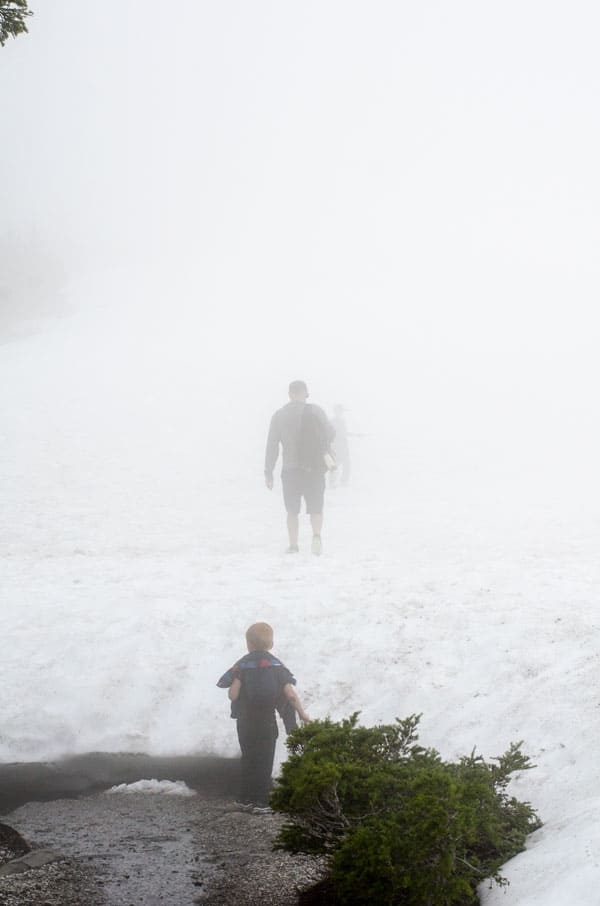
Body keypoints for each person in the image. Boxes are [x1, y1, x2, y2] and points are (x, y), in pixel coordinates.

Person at [216, 622, 311, 813]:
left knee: (249, 758)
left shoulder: (242, 665)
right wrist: (302, 714)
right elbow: (290, 695)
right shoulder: (276, 666)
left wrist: (237, 681)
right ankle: (262, 802)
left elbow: (232, 695)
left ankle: (245, 799)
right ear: (270, 643)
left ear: (249, 643)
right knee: (264, 760)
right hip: (266, 722)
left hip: (245, 722)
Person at [265, 380, 335, 555]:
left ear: (290, 394)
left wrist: (269, 472)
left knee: (292, 511)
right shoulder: (316, 410)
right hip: (314, 469)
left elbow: (272, 445)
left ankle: (294, 545)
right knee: (316, 508)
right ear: (305, 393)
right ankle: (316, 536)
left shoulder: (279, 416)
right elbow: (331, 433)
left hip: (290, 470)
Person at [329, 404, 351, 488]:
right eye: (338, 411)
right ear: (335, 412)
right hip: (335, 446)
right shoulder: (332, 422)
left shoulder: (342, 422)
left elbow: (344, 434)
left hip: (343, 446)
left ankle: (343, 481)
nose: (340, 413)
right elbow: (331, 434)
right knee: (334, 465)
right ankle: (332, 482)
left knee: (347, 464)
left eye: (341, 411)